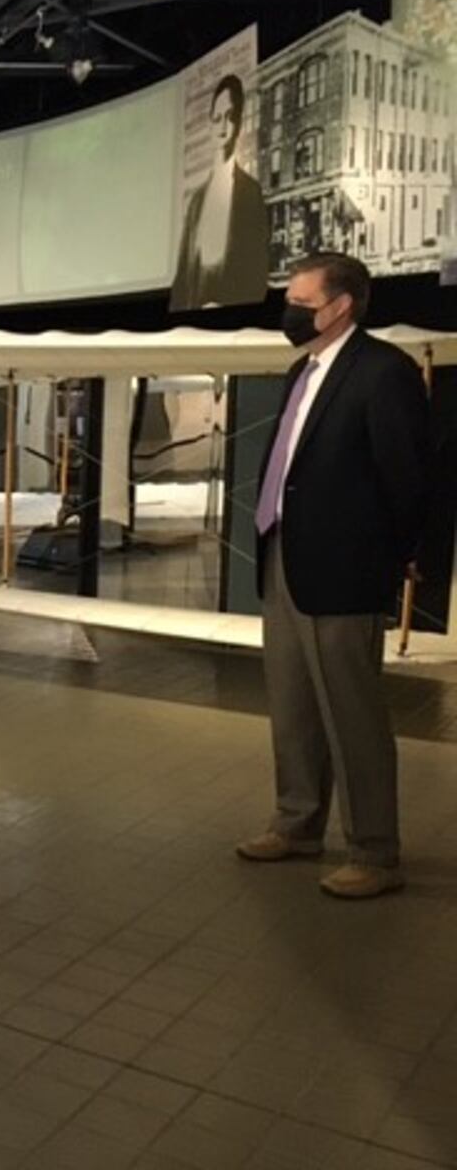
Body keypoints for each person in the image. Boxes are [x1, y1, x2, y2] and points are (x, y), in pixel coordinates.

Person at [236, 252, 432, 898]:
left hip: (345, 571)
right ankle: (297, 823)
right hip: (285, 558)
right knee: (293, 707)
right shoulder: (304, 370)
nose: (290, 312)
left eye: (301, 300)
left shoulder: (383, 372)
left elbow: (408, 477)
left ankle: (375, 851)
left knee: (353, 717)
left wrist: (397, 556)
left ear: (341, 305)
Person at [169, 73, 270, 311]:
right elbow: (183, 275)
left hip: (233, 321)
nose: (222, 127)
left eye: (230, 117)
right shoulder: (196, 201)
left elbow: (257, 270)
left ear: (239, 123)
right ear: (209, 123)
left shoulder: (251, 193)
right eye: (216, 118)